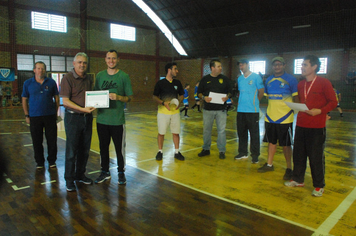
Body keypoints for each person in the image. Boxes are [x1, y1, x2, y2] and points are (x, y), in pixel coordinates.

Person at [284, 55, 337, 197]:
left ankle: (319, 185)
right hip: (301, 124)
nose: (302, 67)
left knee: (316, 156)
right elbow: (303, 102)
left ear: (314, 67)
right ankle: (298, 179)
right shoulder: (301, 84)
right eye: (302, 65)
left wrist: (320, 111)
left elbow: (333, 102)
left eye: (305, 65)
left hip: (317, 127)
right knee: (299, 154)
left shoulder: (324, 82)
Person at [94, 50, 133, 185]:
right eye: (109, 58)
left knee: (119, 149)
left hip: (117, 120)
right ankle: (104, 171)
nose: (111, 61)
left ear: (118, 60)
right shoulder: (99, 76)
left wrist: (118, 97)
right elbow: (95, 95)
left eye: (114, 58)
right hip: (102, 120)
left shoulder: (124, 76)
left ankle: (121, 172)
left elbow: (129, 98)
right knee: (103, 147)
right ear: (105, 59)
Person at [60, 52, 96, 192]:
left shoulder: (88, 79)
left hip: (87, 118)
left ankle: (80, 175)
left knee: (85, 150)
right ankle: (69, 180)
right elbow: (66, 101)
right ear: (74, 64)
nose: (82, 65)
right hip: (73, 118)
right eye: (79, 62)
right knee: (71, 151)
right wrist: (82, 109)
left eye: (84, 63)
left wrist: (94, 105)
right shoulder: (67, 78)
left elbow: (91, 97)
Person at [258, 57, 298, 180]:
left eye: (279, 64)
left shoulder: (291, 80)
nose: (277, 66)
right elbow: (266, 97)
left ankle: (289, 168)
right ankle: (269, 164)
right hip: (270, 118)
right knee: (271, 142)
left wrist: (294, 112)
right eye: (275, 64)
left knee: (286, 145)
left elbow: (296, 99)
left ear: (284, 65)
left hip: (285, 119)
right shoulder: (268, 80)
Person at [22, 61, 59, 169]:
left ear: (45, 70)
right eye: (38, 68)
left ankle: (52, 161)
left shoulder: (51, 82)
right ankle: (40, 162)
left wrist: (55, 112)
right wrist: (26, 115)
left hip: (50, 116)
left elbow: (56, 98)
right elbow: (24, 99)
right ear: (34, 70)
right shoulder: (27, 83)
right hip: (34, 117)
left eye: (42, 68)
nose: (40, 70)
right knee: (37, 141)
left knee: (52, 140)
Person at [197, 59, 232, 160]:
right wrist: (204, 98)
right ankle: (206, 149)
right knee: (207, 130)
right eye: (218, 66)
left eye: (221, 66)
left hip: (221, 110)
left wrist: (227, 96)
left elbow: (230, 92)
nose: (221, 68)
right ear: (212, 68)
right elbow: (199, 93)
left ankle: (221, 150)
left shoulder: (225, 79)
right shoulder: (204, 79)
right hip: (208, 110)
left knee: (221, 131)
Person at [153, 62, 185, 161]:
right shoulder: (160, 83)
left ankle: (176, 152)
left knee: (176, 133)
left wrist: (180, 102)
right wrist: (163, 103)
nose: (177, 71)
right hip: (163, 113)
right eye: (175, 69)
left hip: (175, 113)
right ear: (169, 70)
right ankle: (160, 151)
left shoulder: (177, 83)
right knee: (161, 133)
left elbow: (182, 95)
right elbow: (154, 97)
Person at [234, 59, 264, 164]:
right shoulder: (240, 79)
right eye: (239, 65)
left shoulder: (256, 77)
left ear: (247, 65)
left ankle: (255, 155)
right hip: (241, 110)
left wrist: (255, 103)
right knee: (241, 133)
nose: (241, 67)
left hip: (252, 111)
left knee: (254, 134)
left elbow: (261, 92)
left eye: (242, 65)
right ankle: (243, 152)